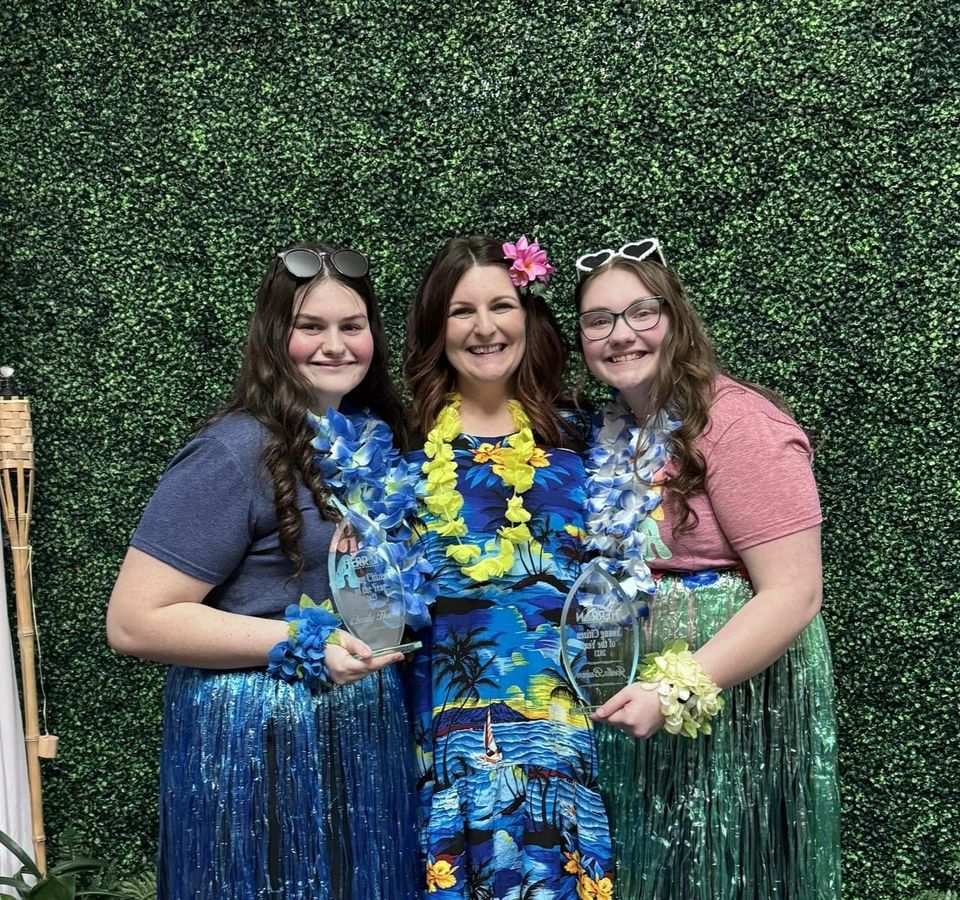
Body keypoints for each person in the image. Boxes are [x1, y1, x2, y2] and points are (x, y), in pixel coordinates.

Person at [106, 242, 422, 900]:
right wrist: (301, 642)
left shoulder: (372, 446)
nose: (335, 345)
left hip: (358, 741)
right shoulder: (234, 450)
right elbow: (135, 622)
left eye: (351, 326)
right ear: (275, 336)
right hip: (260, 745)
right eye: (311, 327)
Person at [572, 238, 841, 898]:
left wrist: (672, 695)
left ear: (677, 318)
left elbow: (795, 593)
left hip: (730, 717)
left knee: (723, 871)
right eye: (598, 320)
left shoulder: (738, 422)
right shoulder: (609, 434)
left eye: (642, 312)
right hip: (634, 717)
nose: (620, 334)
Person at [404, 235, 614, 899]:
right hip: (450, 757)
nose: (485, 327)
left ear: (529, 316)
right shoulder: (399, 457)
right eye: (462, 311)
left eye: (501, 305)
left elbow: (619, 591)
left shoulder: (587, 441)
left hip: (571, 751)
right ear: (438, 329)